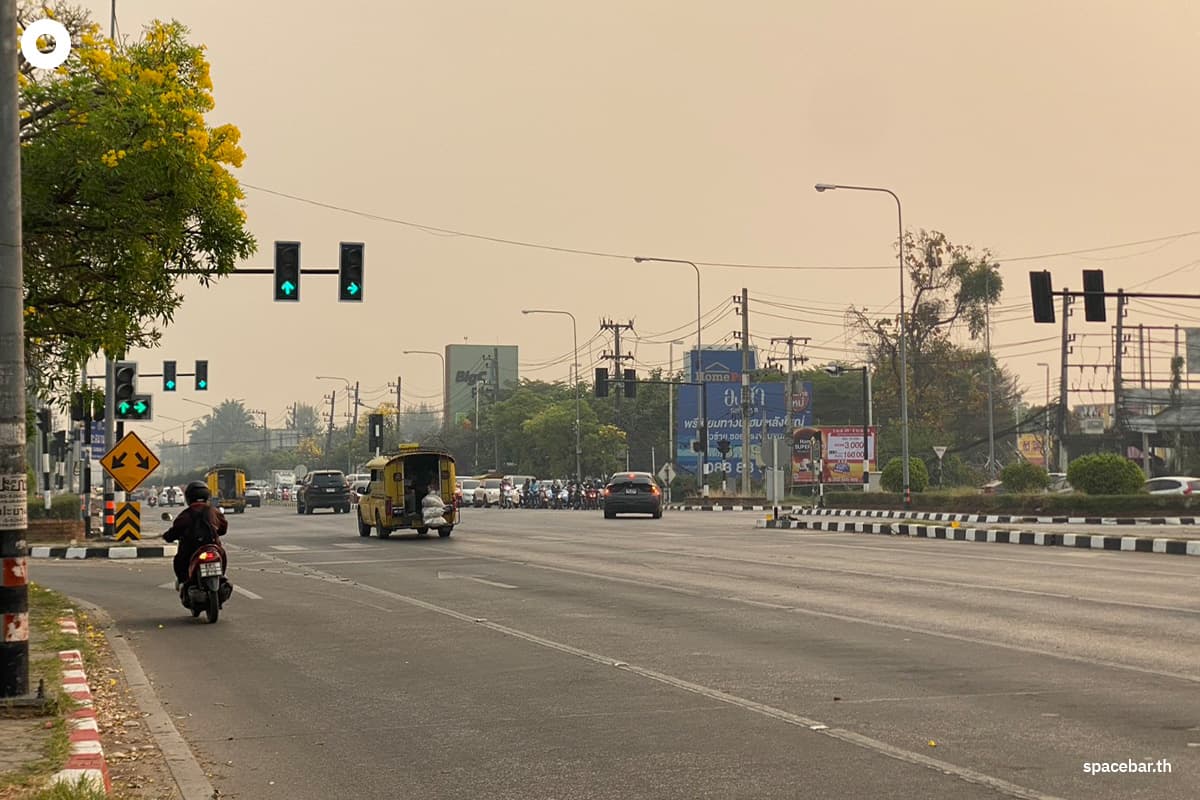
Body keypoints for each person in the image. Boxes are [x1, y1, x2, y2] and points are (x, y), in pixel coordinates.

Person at [163, 480, 228, 590]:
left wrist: (167, 536)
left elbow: (175, 531)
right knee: (222, 555)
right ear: (207, 495)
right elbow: (223, 528)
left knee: (179, 561)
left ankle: (184, 582)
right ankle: (222, 576)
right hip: (213, 547)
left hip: (191, 550)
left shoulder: (185, 514)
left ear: (188, 497)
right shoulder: (214, 512)